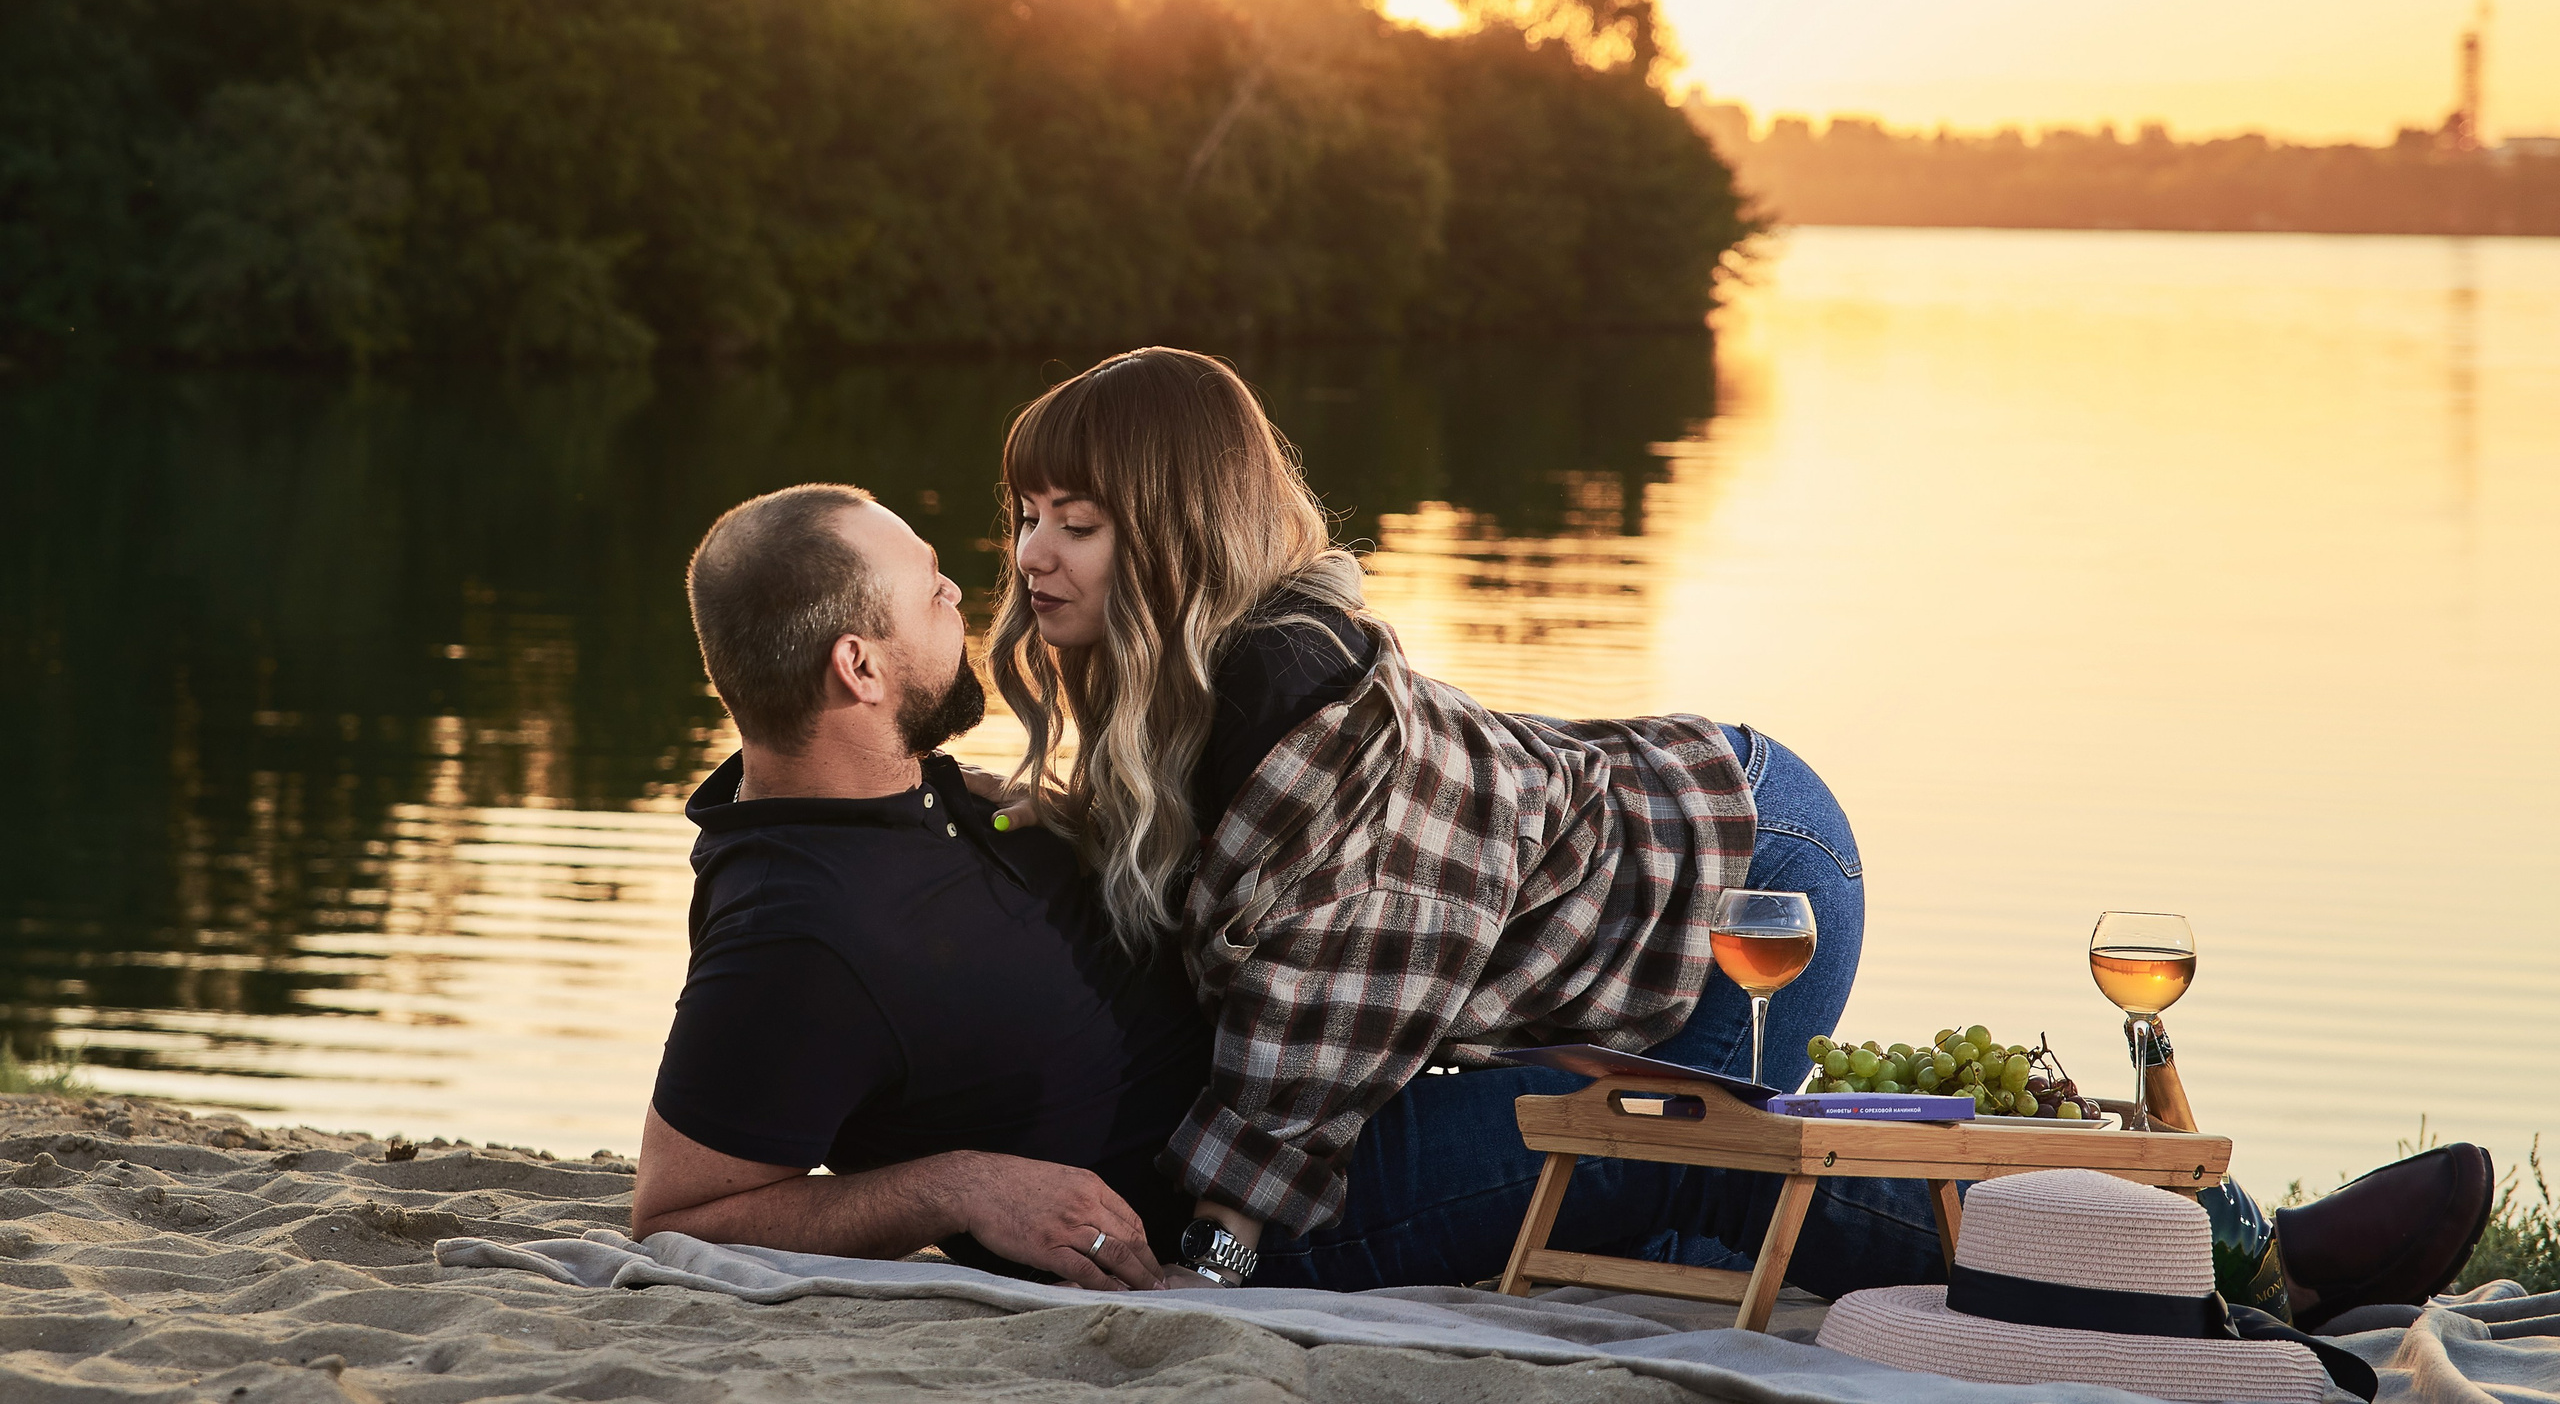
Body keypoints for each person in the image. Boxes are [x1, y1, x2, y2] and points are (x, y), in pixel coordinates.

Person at [981, 349, 2497, 1312]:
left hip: (1745, 862)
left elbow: (1292, 1100)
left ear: (1178, 541)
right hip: (1644, 831)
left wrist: (1214, 1258)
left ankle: (2227, 1258)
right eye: (1028, 514)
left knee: (1689, 1161)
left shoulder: (1324, 745)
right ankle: (2151, 1230)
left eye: (1079, 522)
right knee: (1686, 1211)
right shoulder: (1183, 705)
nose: (1035, 555)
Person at [630, 483, 1207, 1290]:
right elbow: (675, 1216)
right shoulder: (795, 936)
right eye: (931, 584)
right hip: (1260, 1203)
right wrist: (962, 1186)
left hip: (1303, 1070)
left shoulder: (902, 792)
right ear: (858, 666)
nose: (957, 595)